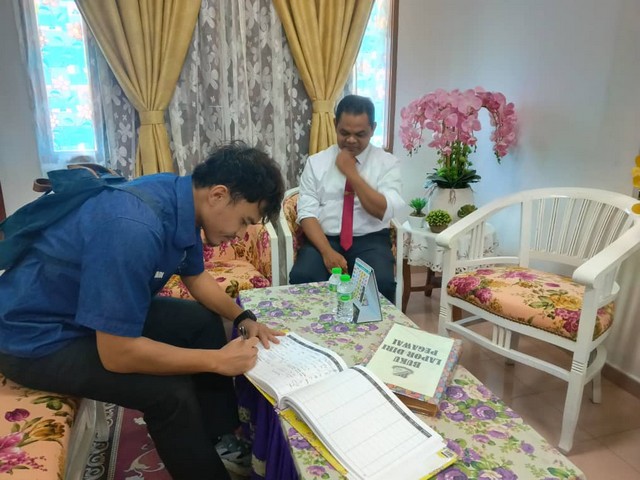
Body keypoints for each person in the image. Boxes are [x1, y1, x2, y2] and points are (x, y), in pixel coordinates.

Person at [0, 142, 285, 480]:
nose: (239, 234)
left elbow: (195, 277)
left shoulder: (180, 198)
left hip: (79, 311)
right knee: (170, 393)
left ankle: (218, 439)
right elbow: (118, 354)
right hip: (34, 337)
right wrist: (216, 361)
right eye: (244, 222)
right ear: (218, 195)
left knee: (201, 321)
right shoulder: (133, 226)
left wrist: (243, 317)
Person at [289, 95, 406, 303]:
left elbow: (383, 210)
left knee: (381, 284)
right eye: (344, 133)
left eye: (360, 134)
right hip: (325, 239)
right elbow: (307, 213)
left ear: (373, 129)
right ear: (335, 125)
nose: (351, 140)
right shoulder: (317, 163)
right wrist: (327, 252)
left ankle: (370, 326)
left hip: (370, 240)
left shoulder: (387, 163)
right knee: (303, 276)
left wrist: (351, 173)